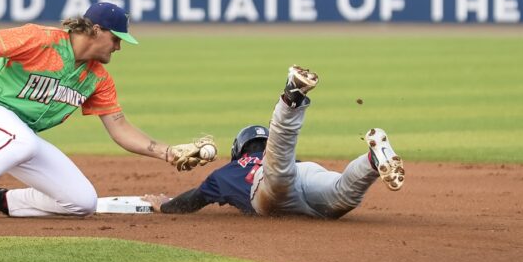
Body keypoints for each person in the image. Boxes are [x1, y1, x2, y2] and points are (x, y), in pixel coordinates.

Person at [0, 2, 216, 225]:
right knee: (21, 141)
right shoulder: (41, 39)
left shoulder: (97, 78)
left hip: (19, 137)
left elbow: (120, 128)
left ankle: (3, 199)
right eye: (116, 39)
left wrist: (167, 152)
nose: (119, 47)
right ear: (96, 31)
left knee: (82, 202)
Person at [141, 65, 405, 220]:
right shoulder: (274, 159)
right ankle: (371, 161)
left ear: (238, 150)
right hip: (304, 170)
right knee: (341, 194)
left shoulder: (225, 173)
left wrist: (165, 204)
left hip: (269, 187)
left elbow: (193, 200)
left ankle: (290, 100)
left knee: (279, 167)